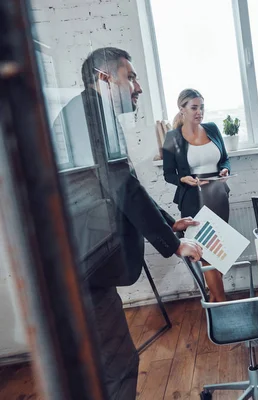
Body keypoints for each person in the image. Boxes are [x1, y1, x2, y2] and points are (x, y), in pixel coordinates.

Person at [54, 47, 203, 399]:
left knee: (107, 364)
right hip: (82, 266)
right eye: (130, 77)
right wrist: (172, 243)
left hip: (83, 266)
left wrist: (170, 224)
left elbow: (126, 183)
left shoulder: (89, 110)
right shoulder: (91, 114)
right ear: (105, 79)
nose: (137, 86)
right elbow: (124, 187)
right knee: (119, 367)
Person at [162, 89, 231, 302]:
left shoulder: (212, 129)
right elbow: (168, 174)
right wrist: (183, 179)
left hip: (218, 197)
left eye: (201, 107)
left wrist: (225, 170)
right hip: (193, 201)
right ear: (182, 109)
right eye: (194, 107)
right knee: (206, 253)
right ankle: (223, 304)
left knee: (218, 253)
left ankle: (214, 302)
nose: (199, 112)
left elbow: (225, 159)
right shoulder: (172, 137)